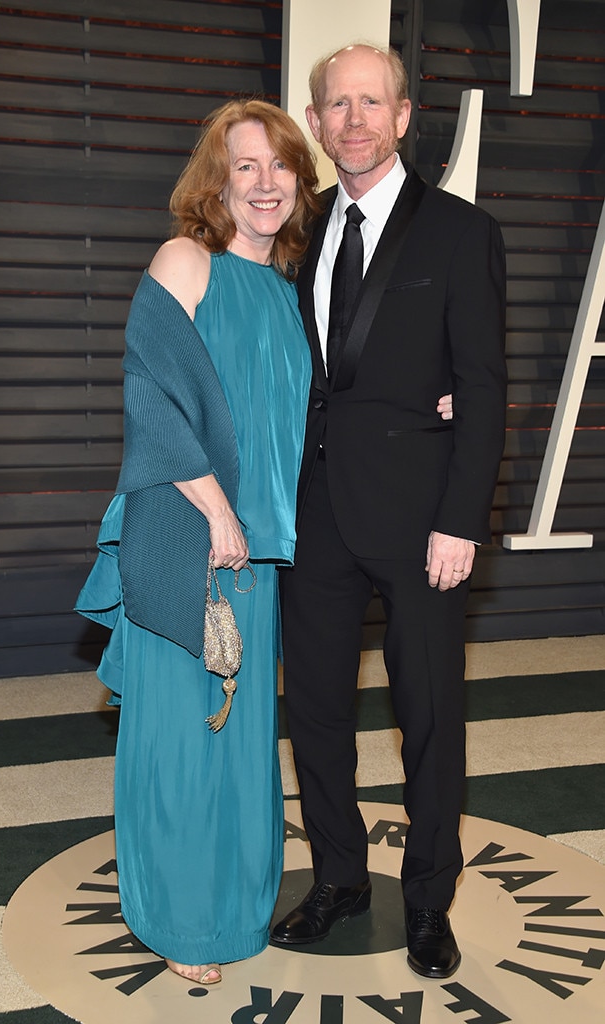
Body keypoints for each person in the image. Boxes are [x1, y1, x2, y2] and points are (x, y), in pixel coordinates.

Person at [270, 44, 507, 980]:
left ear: (405, 117)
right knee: (317, 712)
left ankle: (427, 900)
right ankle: (338, 878)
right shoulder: (297, 228)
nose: (355, 119)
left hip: (421, 520)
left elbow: (482, 386)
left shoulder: (459, 232)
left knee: (431, 716)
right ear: (319, 123)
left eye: (373, 103)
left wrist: (463, 519)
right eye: (338, 105)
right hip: (312, 512)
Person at [75, 99, 321, 985]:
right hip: (189, 530)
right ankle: (178, 914)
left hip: (259, 549)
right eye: (243, 167)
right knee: (182, 733)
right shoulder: (188, 259)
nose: (264, 184)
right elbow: (151, 393)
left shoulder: (289, 292)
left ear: (301, 178)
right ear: (214, 183)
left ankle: (233, 903)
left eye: (280, 166)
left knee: (243, 737)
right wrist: (217, 511)